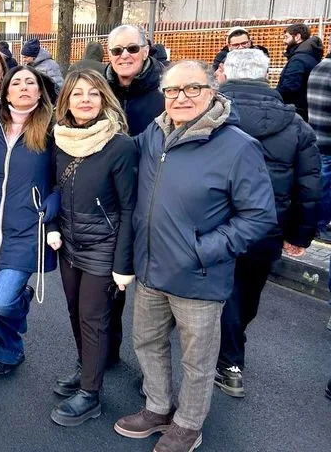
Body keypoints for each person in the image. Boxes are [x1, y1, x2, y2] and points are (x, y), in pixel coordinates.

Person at [114, 60, 276, 452]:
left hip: (200, 277)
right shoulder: (154, 134)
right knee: (147, 344)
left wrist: (203, 250)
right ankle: (157, 407)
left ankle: (188, 423)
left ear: (212, 91)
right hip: (151, 270)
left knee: (197, 360)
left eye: (192, 89)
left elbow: (259, 216)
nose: (181, 98)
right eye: (172, 91)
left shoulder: (238, 146)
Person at [215, 49, 320, 397]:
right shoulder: (296, 126)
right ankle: (234, 341)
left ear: (225, 74)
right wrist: (300, 235)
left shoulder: (212, 115)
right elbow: (308, 183)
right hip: (268, 226)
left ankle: (229, 361)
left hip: (219, 220)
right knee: (249, 287)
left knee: (224, 289)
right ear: (267, 77)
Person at [47, 68, 137, 427]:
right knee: (74, 312)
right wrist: (52, 226)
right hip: (69, 243)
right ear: (66, 101)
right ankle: (86, 368)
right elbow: (52, 190)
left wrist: (123, 262)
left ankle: (91, 393)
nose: (85, 100)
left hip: (104, 245)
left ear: (104, 99)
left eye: (93, 93)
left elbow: (130, 207)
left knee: (93, 318)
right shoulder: (59, 140)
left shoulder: (119, 145)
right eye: (77, 93)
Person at [0, 65, 57, 379]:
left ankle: (7, 348)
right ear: (6, 91)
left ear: (39, 91)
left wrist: (52, 205)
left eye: (30, 82)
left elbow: (66, 175)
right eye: (17, 82)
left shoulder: (52, 128)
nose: (24, 87)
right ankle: (12, 340)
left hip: (28, 228)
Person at [103, 24, 165, 364]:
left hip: (154, 199)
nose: (124, 56)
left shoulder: (166, 91)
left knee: (152, 290)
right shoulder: (99, 87)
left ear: (147, 50)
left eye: (131, 49)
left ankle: (152, 370)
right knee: (109, 284)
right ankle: (107, 352)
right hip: (110, 202)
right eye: (117, 51)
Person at [307, 49, 331, 243]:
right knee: (326, 188)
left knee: (320, 183)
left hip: (317, 135)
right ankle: (320, 225)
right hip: (329, 141)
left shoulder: (318, 67)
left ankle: (316, 223)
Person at [277, 23, 323, 120]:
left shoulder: (298, 59)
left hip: (294, 112)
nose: (283, 41)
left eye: (286, 37)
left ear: (297, 36)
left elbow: (289, 88)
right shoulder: (310, 56)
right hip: (305, 111)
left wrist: (273, 96)